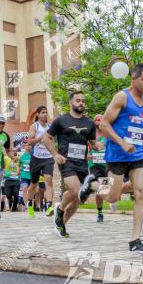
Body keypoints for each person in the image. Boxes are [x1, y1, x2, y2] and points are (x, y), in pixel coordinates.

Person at [98, 64, 143, 255]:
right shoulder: (122, 97)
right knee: (112, 196)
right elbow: (104, 124)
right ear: (133, 79)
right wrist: (122, 142)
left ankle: (135, 240)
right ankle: (91, 185)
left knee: (142, 192)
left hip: (138, 153)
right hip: (118, 153)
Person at [41, 91, 96, 238]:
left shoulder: (89, 123)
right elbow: (46, 138)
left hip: (82, 164)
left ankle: (61, 225)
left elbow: (93, 143)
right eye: (78, 101)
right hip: (66, 162)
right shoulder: (61, 120)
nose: (81, 103)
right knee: (75, 189)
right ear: (70, 103)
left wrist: (98, 147)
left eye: (83, 101)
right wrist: (55, 154)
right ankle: (59, 209)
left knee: (77, 199)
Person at [25, 106, 54, 217]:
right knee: (34, 183)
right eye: (43, 112)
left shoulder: (50, 127)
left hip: (48, 157)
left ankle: (49, 205)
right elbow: (30, 141)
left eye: (46, 112)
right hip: (36, 157)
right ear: (37, 114)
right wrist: (41, 138)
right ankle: (31, 204)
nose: (45, 114)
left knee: (49, 180)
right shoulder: (34, 126)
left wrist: (54, 153)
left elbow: (52, 141)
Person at [79, 114, 107, 223]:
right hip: (94, 165)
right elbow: (84, 155)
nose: (97, 120)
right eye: (95, 119)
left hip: (107, 165)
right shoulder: (90, 137)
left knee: (104, 191)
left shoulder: (108, 136)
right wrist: (88, 157)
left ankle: (88, 187)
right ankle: (100, 213)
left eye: (100, 119)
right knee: (99, 190)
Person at [18, 143, 31, 212]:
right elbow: (18, 164)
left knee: (34, 190)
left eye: (29, 145)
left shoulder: (33, 155)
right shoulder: (22, 156)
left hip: (32, 176)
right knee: (24, 189)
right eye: (27, 145)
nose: (28, 146)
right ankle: (26, 205)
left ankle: (30, 202)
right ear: (24, 147)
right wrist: (18, 170)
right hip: (24, 175)